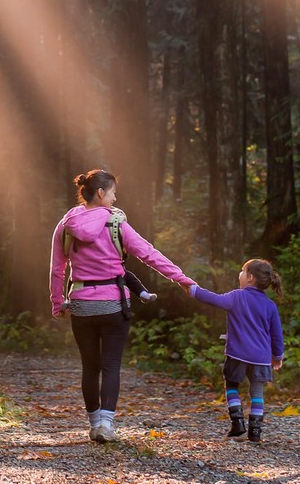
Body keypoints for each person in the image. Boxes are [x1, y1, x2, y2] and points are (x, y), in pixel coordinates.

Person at [49, 169, 197, 443]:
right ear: (101, 193)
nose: (115, 199)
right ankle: (106, 424)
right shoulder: (116, 223)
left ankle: (94, 425)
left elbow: (57, 268)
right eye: (114, 192)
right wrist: (181, 279)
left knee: (89, 367)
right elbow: (148, 254)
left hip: (81, 304)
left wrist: (58, 302)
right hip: (114, 305)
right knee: (111, 366)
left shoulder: (66, 224)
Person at [178, 258, 284, 442]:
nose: (239, 274)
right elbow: (277, 335)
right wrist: (277, 357)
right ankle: (255, 431)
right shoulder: (270, 306)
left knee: (232, 385)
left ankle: (237, 423)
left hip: (238, 354)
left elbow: (214, 299)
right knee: (257, 392)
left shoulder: (237, 296)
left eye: (242, 271)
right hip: (261, 358)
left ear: (250, 277)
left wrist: (193, 290)